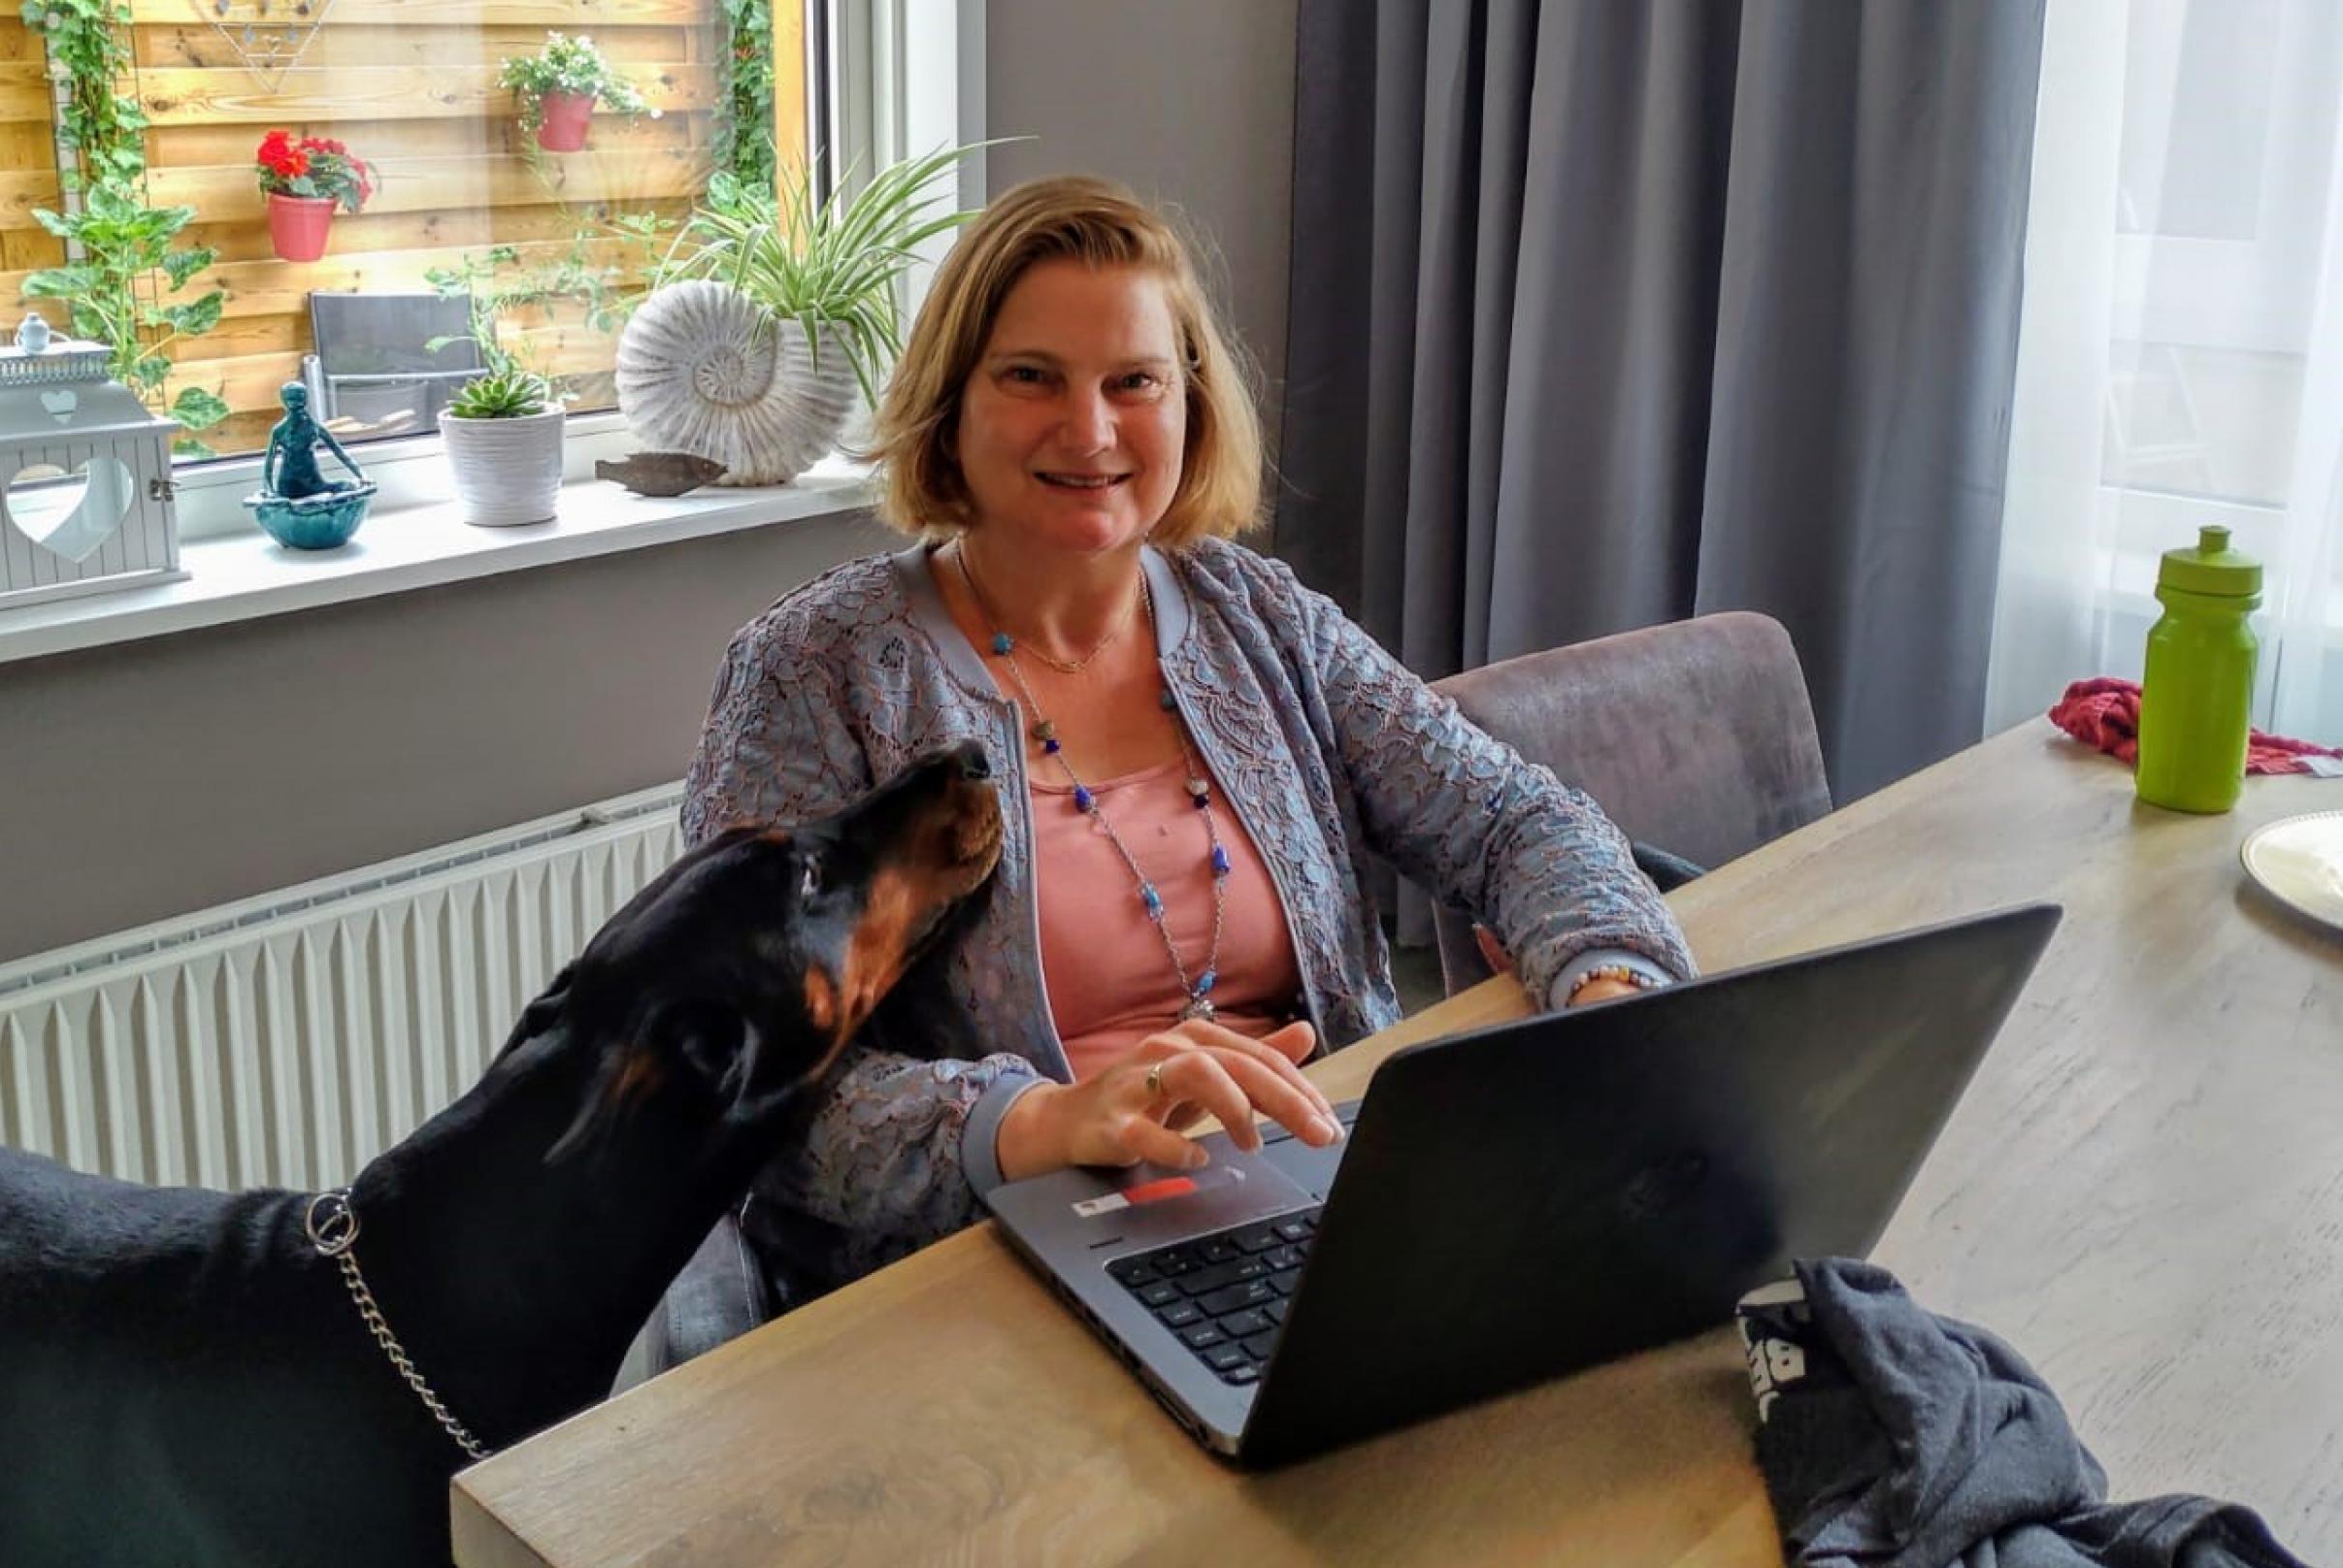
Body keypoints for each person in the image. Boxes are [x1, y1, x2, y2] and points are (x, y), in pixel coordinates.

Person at [682, 175, 1695, 1308]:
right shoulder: (815, 671)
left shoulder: (1256, 615)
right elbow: (731, 1071)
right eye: (1031, 377)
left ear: (1189, 407)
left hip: (1321, 1205)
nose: (1091, 429)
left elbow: (1516, 820)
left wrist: (1609, 996)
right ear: (950, 403)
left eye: (1134, 382)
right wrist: (1034, 1119)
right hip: (993, 1269)